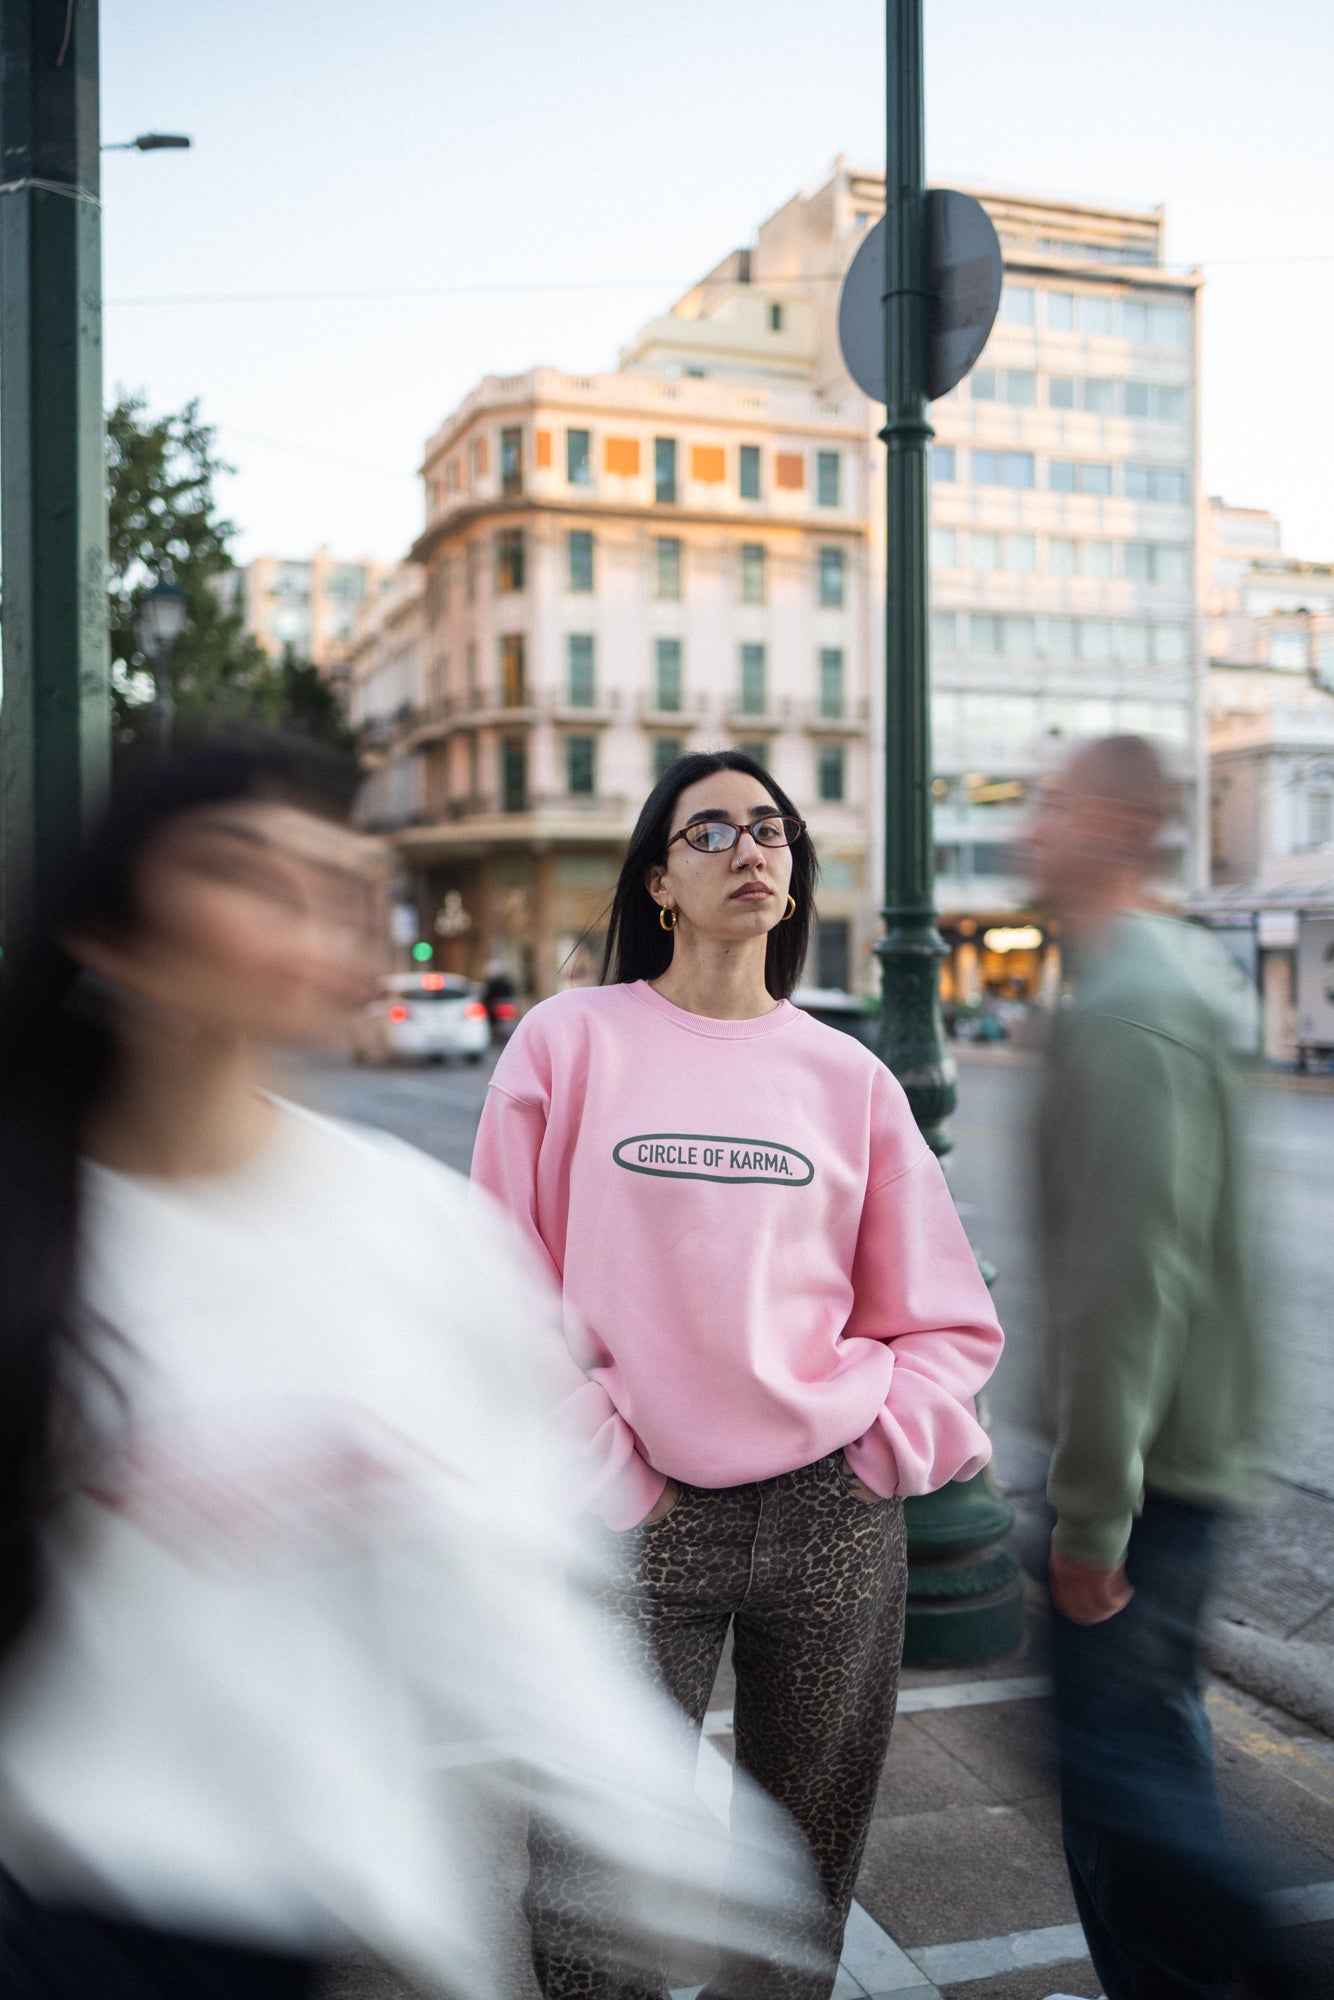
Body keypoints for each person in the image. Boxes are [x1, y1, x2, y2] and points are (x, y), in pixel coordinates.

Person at [0, 736, 808, 2000]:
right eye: (244, 870)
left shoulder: (408, 1232)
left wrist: (692, 1859)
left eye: (343, 878)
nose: (314, 909)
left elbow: (511, 1599)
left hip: (280, 1915)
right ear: (112, 923)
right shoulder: (39, 1218)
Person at [472, 749, 1005, 2000]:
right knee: (594, 1866)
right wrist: (603, 1465)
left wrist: (876, 1451)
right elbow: (494, 1287)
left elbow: (942, 1320)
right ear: (658, 877)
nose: (749, 848)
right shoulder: (569, 1041)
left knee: (798, 1872)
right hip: (630, 1512)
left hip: (828, 1513)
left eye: (768, 828)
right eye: (708, 831)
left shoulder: (848, 1075)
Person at [1028, 736, 1299, 2000]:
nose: (1034, 827)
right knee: (1125, 1763)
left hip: (1146, 1475)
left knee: (1119, 1774)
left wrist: (1092, 1512)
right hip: (1172, 1457)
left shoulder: (1129, 1002)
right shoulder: (1152, 979)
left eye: (1056, 804)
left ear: (1121, 821)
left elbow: (1129, 1278)